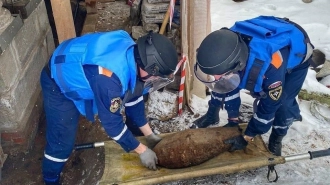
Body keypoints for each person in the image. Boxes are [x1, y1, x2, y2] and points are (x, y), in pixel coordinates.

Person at [40, 30, 179, 185]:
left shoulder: (135, 56)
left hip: (82, 63)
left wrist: (149, 135)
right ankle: (50, 179)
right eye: (155, 76)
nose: (154, 80)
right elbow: (112, 124)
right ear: (148, 66)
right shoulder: (108, 78)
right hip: (58, 77)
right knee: (62, 142)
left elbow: (134, 100)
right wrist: (142, 150)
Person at [192, 16, 315, 157]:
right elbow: (225, 85)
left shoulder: (270, 67)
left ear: (237, 65)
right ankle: (212, 115)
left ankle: (277, 136)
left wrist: (248, 135)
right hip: (261, 34)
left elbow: (269, 106)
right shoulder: (227, 48)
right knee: (225, 82)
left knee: (283, 102)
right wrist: (233, 120)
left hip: (296, 52)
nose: (216, 78)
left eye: (219, 73)